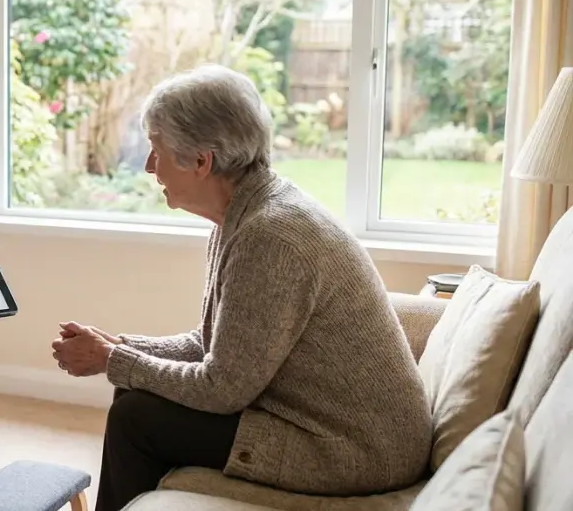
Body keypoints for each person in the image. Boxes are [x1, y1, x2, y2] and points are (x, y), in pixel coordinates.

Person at [50, 64, 432, 511]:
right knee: (134, 390)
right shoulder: (242, 215)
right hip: (334, 426)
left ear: (201, 160)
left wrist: (114, 359)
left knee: (136, 416)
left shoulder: (269, 237)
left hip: (357, 451)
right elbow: (212, 344)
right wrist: (121, 347)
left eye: (156, 150)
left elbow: (222, 387)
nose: (149, 166)